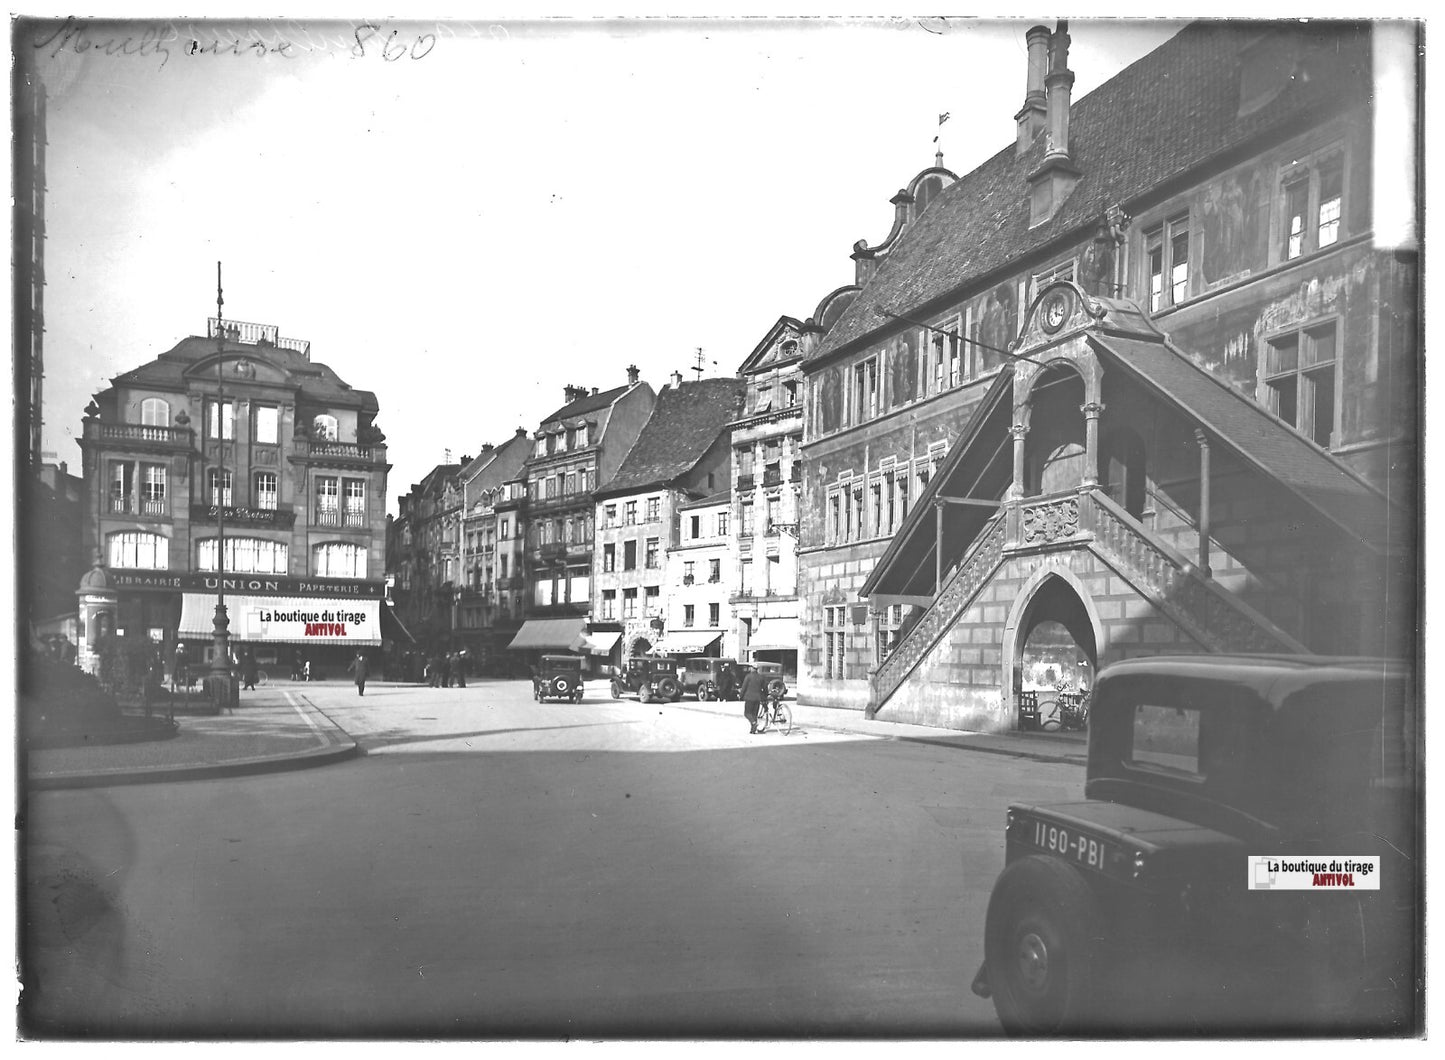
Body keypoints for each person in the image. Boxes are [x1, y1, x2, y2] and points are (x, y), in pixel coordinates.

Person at [739, 664, 767, 735]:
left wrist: (741, 696)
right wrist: (764, 696)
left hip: (749, 697)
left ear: (752, 668)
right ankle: (753, 730)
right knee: (754, 714)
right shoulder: (761, 677)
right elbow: (765, 688)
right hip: (758, 698)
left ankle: (753, 723)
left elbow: (744, 687)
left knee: (747, 713)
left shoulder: (748, 677)